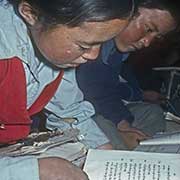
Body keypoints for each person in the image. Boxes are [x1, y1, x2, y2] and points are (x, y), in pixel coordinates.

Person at [0, 0, 135, 179]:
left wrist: (106, 156)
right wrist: (36, 170)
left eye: (101, 44)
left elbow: (71, 112)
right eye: (84, 46)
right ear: (30, 13)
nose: (93, 56)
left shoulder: (53, 57)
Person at [76, 0, 180, 150]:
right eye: (149, 29)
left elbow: (109, 89)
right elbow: (91, 92)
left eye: (156, 37)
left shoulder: (118, 52)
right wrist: (122, 125)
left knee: (152, 112)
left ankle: (136, 148)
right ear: (127, 11)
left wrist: (126, 121)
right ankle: (125, 157)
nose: (147, 42)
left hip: (106, 106)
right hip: (84, 109)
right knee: (101, 125)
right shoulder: (93, 37)